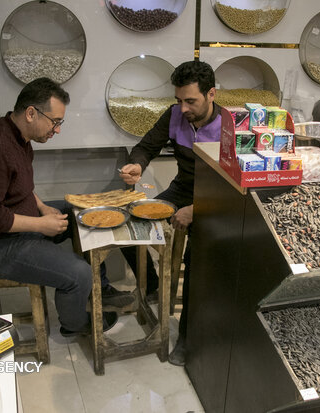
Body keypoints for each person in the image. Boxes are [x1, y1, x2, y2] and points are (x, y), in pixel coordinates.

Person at [0, 77, 133, 337]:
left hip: (16, 222)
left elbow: (19, 185)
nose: (57, 130)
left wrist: (40, 207)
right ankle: (76, 324)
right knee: (77, 274)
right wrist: (40, 224)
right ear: (31, 113)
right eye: (55, 122)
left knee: (83, 214)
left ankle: (101, 287)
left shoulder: (19, 137)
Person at [119, 61, 222, 366]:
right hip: (182, 190)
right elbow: (146, 146)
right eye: (179, 100)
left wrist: (198, 209)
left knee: (195, 261)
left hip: (218, 201)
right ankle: (152, 287)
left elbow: (234, 187)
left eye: (191, 101)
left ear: (212, 94)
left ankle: (188, 340)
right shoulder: (175, 114)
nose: (184, 108)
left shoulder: (232, 125)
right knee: (130, 226)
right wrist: (138, 165)